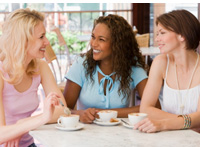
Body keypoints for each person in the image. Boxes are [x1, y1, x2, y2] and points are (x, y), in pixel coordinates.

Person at [63, 14, 148, 124]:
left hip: (120, 134)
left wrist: (106, 113)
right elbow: (63, 110)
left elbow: (153, 106)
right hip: (84, 134)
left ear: (118, 44)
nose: (93, 44)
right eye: (93, 37)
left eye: (101, 39)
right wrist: (79, 114)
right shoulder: (82, 64)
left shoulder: (132, 66)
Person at [0, 8, 67, 146]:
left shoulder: (40, 67)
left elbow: (63, 110)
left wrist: (22, 124)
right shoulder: (1, 73)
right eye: (41, 37)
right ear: (23, 40)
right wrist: (38, 119)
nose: (47, 42)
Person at [134, 9, 200, 133]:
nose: (157, 38)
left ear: (182, 35)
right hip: (170, 137)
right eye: (157, 34)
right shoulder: (161, 62)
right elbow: (145, 109)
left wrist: (164, 124)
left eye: (162, 33)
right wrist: (189, 123)